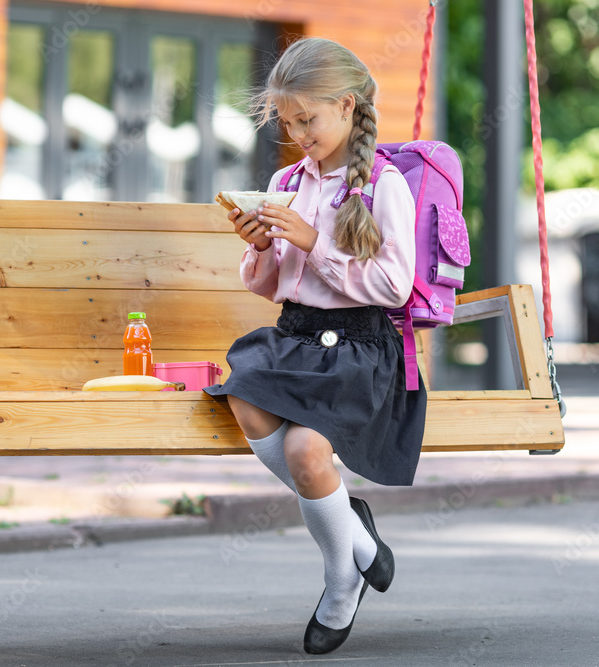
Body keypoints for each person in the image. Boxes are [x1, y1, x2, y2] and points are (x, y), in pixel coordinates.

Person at [203, 37, 427, 655]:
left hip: (358, 347)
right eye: (288, 122)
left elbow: (391, 286)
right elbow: (272, 288)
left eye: (309, 119)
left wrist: (312, 241)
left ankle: (339, 581)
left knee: (306, 453)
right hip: (298, 338)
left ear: (348, 106)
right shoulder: (286, 181)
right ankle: (358, 536)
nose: (299, 133)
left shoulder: (385, 185)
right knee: (241, 391)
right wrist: (262, 245)